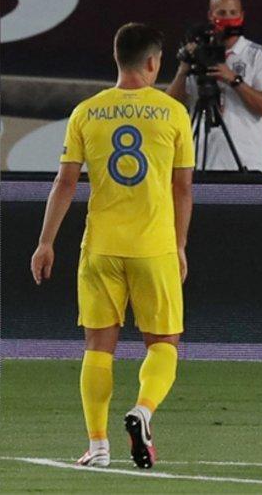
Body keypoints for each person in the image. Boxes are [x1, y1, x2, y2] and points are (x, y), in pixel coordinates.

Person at [31, 23, 195, 469]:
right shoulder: (173, 113)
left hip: (101, 245)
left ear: (116, 58)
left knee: (98, 347)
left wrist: (46, 242)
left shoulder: (86, 111)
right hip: (154, 246)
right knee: (164, 343)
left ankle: (98, 445)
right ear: (153, 62)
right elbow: (183, 189)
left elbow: (65, 182)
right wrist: (179, 246)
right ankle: (142, 411)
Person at [165, 0, 262, 172]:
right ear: (211, 16)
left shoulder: (255, 54)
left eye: (233, 13)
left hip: (244, 162)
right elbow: (168, 108)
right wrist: (184, 69)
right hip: (200, 163)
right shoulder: (198, 55)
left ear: (242, 16)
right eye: (222, 13)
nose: (228, 19)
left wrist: (233, 79)